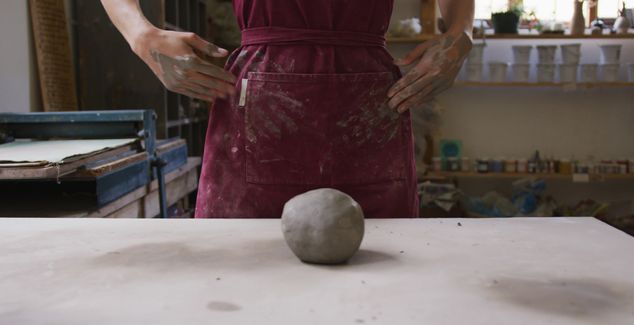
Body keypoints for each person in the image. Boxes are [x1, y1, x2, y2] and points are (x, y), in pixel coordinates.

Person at [102, 0, 474, 218]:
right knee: (237, 275)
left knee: (384, 274)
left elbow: (458, 22)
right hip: (260, 101)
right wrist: (140, 34)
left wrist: (462, 31)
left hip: (369, 102)